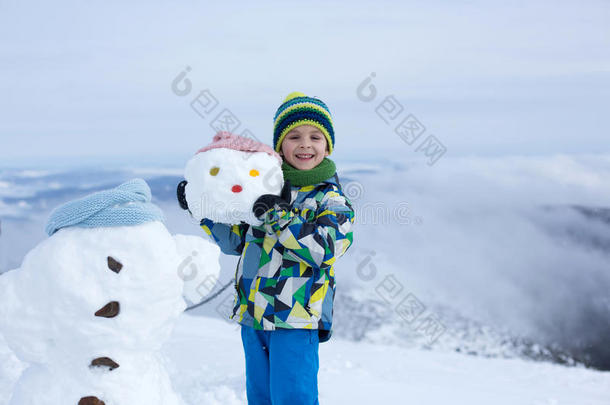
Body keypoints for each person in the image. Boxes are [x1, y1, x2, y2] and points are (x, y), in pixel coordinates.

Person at [180, 91, 355, 405]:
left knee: (293, 398)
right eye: (294, 136)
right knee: (260, 397)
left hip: (297, 317)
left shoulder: (330, 200)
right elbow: (235, 241)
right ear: (279, 146)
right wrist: (201, 209)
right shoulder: (263, 189)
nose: (305, 144)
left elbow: (323, 249)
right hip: (254, 314)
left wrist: (276, 215)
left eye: (315, 136)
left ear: (327, 146)